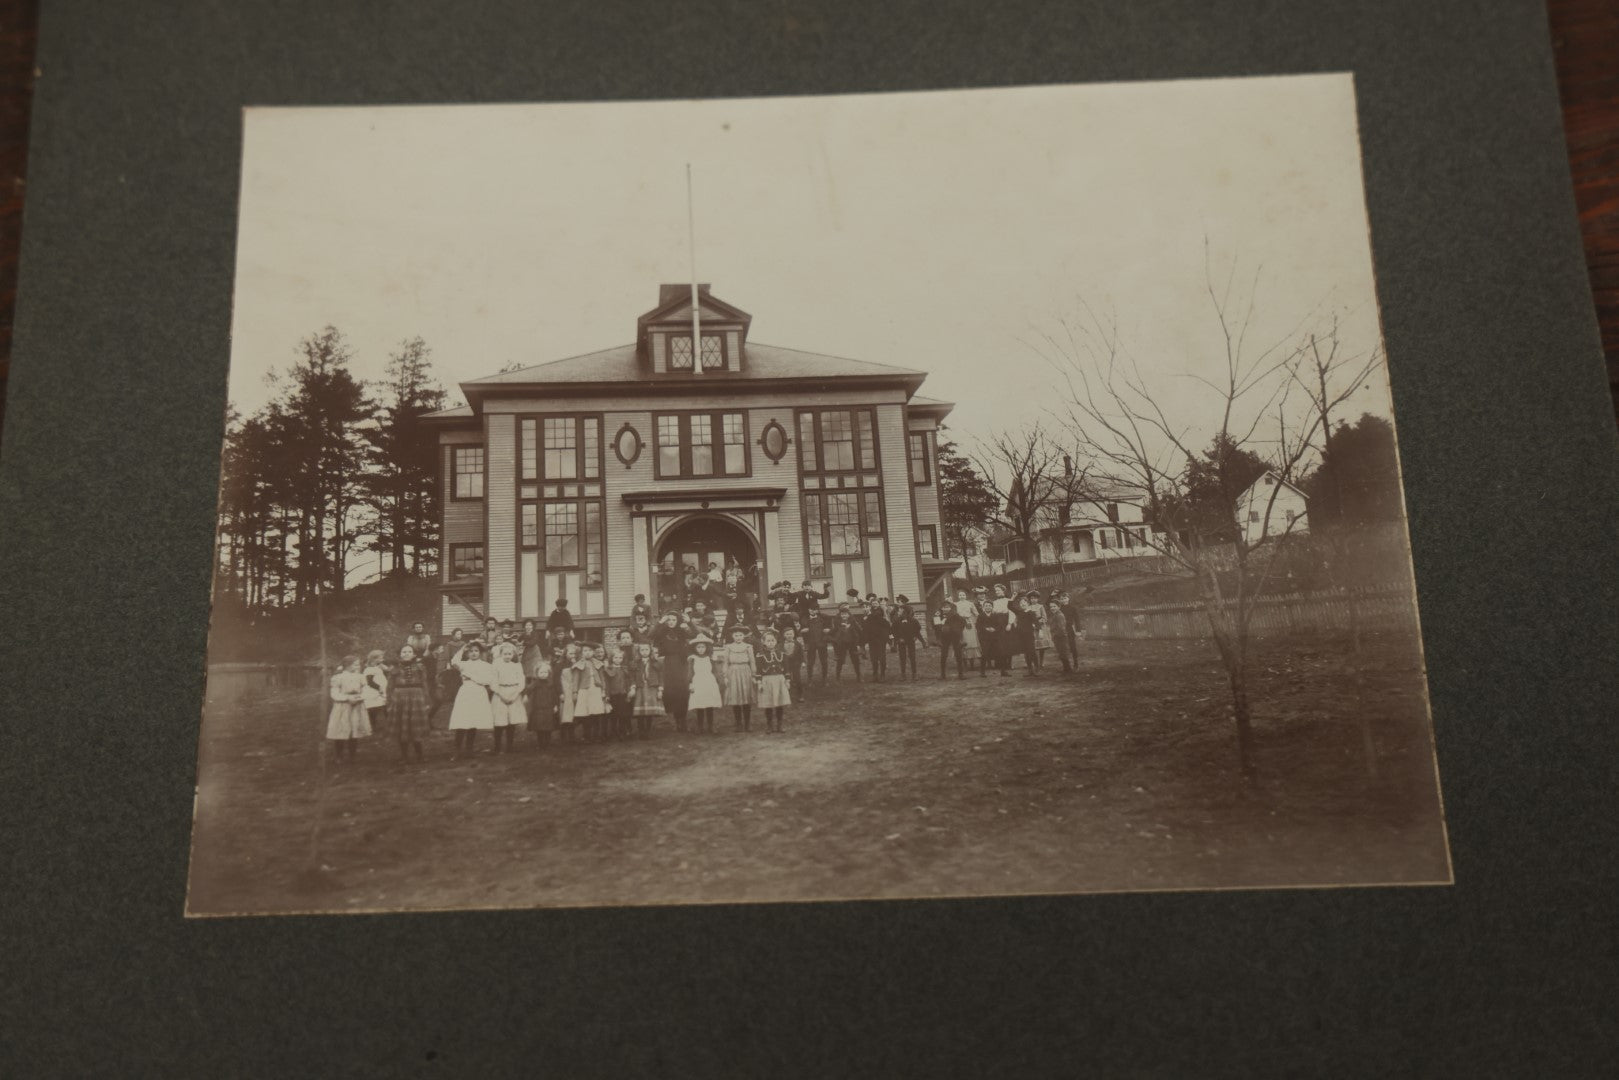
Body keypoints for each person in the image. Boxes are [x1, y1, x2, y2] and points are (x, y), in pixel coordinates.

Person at [448, 641, 496, 756]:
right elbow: (454, 661)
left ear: (480, 652)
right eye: (471, 651)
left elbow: (486, 681)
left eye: (476, 651)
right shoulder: (464, 664)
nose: (473, 653)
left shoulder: (485, 666)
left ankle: (469, 749)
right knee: (463, 720)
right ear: (467, 653)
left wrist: (470, 676)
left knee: (474, 720)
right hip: (466, 692)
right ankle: (457, 749)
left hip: (478, 692)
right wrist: (463, 648)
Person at [388, 643, 431, 763]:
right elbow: (390, 686)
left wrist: (426, 700)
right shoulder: (395, 669)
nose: (406, 654)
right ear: (399, 654)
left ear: (414, 654)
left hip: (416, 697)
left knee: (415, 726)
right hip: (399, 697)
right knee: (402, 727)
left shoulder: (420, 667)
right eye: (404, 652)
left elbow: (424, 684)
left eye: (409, 652)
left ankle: (420, 755)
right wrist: (389, 701)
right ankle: (404, 756)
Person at [326, 655, 371, 764]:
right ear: (348, 665)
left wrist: (360, 697)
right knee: (340, 730)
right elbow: (334, 693)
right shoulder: (338, 677)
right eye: (356, 664)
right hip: (343, 707)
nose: (359, 666)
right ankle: (339, 755)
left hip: (357, 705)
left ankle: (352, 755)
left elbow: (366, 690)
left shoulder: (360, 677)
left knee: (354, 730)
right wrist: (347, 698)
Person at [653, 613, 692, 732]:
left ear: (677, 620)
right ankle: (677, 721)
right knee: (672, 692)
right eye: (669, 620)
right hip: (668, 663)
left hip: (681, 663)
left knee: (683, 691)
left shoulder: (682, 630)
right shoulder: (663, 632)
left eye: (673, 619)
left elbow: (694, 634)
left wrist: (689, 622)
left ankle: (683, 720)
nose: (671, 622)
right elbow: (651, 635)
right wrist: (659, 623)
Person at [717, 625, 758, 732]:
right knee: (735, 698)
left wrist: (754, 675)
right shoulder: (728, 647)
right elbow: (725, 662)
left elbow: (752, 662)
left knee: (746, 697)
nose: (738, 637)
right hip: (733, 672)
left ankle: (747, 723)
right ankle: (738, 723)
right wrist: (725, 676)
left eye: (740, 635)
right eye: (736, 635)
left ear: (744, 636)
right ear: (732, 636)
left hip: (745, 671)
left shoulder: (748, 647)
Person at [489, 641, 526, 753]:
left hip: (514, 693)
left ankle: (510, 747)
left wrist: (515, 694)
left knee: (511, 722)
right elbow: (493, 681)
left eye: (510, 654)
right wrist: (501, 695)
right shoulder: (496, 666)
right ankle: (497, 747)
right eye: (505, 654)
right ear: (501, 654)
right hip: (500, 693)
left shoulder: (517, 666)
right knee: (499, 723)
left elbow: (521, 681)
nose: (507, 656)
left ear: (513, 655)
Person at [756, 629, 791, 733]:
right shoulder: (760, 655)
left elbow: (787, 668)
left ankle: (779, 725)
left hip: (779, 680)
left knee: (779, 703)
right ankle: (769, 725)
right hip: (767, 680)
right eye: (768, 641)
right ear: (764, 642)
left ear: (776, 642)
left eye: (772, 640)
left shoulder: (782, 653)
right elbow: (758, 670)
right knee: (769, 704)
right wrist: (759, 682)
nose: (770, 643)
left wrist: (787, 680)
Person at [686, 635, 722, 734]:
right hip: (698, 682)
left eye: (703, 647)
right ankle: (700, 726)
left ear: (706, 648)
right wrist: (690, 684)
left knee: (709, 705)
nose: (701, 649)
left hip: (709, 682)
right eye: (698, 647)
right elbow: (690, 672)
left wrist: (718, 682)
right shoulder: (692, 659)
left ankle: (711, 726)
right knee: (700, 705)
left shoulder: (710, 658)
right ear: (695, 648)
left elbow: (714, 671)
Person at [524, 646, 557, 746]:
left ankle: (547, 742)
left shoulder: (550, 684)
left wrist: (555, 705)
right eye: (541, 672)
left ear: (549, 673)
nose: (543, 674)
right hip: (538, 708)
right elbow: (528, 689)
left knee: (548, 726)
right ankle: (540, 742)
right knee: (539, 726)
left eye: (545, 672)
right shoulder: (535, 683)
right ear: (537, 673)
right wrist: (526, 695)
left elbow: (554, 695)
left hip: (548, 708)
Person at [629, 642, 662, 738]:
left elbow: (660, 676)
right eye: (642, 650)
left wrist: (660, 689)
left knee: (649, 712)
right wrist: (633, 686)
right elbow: (632, 677)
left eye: (646, 650)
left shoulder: (656, 662)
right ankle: (641, 730)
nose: (644, 652)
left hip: (651, 687)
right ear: (639, 651)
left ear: (650, 651)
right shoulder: (634, 663)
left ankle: (647, 730)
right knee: (641, 711)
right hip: (640, 688)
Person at [556, 642, 583, 742]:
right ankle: (563, 735)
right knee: (564, 713)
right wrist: (560, 693)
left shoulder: (578, 664)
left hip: (574, 690)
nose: (572, 656)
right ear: (565, 654)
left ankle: (572, 735)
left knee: (573, 713)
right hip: (564, 691)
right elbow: (556, 680)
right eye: (570, 653)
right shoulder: (559, 665)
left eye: (574, 654)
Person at [933, 600, 967, 679]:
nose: (946, 609)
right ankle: (943, 674)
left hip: (955, 636)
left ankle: (961, 674)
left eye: (947, 607)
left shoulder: (955, 615)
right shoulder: (938, 615)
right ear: (941, 608)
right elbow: (935, 626)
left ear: (950, 608)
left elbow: (963, 622)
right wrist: (941, 628)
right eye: (944, 607)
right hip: (944, 637)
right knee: (944, 655)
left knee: (958, 654)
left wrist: (955, 629)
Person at [361, 650, 389, 738]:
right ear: (374, 659)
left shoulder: (378, 667)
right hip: (373, 692)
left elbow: (386, 672)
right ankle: (372, 727)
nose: (383, 659)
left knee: (383, 707)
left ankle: (386, 727)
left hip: (379, 692)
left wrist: (384, 668)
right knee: (373, 710)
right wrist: (379, 688)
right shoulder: (369, 669)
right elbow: (370, 682)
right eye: (381, 657)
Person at [891, 604, 923, 680]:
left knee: (912, 656)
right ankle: (903, 674)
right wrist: (898, 638)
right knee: (902, 657)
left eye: (900, 610)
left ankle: (914, 673)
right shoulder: (897, 620)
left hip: (910, 640)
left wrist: (915, 636)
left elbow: (917, 628)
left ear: (904, 611)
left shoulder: (912, 620)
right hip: (901, 641)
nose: (898, 611)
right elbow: (893, 630)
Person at [832, 610, 864, 681]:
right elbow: (833, 633)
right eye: (842, 614)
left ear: (849, 615)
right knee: (840, 660)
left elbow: (859, 631)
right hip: (842, 644)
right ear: (840, 615)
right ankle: (838, 677)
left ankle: (859, 676)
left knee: (855, 660)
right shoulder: (838, 623)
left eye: (845, 614)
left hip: (852, 643)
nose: (844, 616)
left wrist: (859, 643)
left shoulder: (853, 623)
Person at [862, 602, 891, 681]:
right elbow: (866, 629)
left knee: (882, 658)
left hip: (881, 641)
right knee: (874, 658)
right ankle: (875, 674)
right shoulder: (868, 618)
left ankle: (882, 674)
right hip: (872, 641)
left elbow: (888, 630)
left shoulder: (882, 616)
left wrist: (888, 641)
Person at [1046, 598, 1075, 675]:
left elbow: (1061, 628)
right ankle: (1066, 668)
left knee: (1063, 652)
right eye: (1051, 607)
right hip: (1057, 637)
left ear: (1059, 607)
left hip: (1061, 637)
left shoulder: (1059, 615)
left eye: (1054, 606)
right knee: (1061, 653)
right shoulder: (1054, 615)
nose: (1052, 608)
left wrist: (1056, 635)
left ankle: (1068, 669)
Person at [802, 608, 829, 686]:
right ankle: (809, 679)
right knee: (810, 662)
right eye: (810, 609)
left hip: (822, 642)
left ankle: (825, 679)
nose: (812, 611)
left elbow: (828, 627)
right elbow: (800, 628)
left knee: (824, 661)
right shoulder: (805, 619)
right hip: (811, 644)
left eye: (814, 609)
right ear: (808, 610)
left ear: (817, 610)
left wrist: (828, 631)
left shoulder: (822, 618)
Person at [780, 625, 806, 702]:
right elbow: (779, 654)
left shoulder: (798, 644)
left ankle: (800, 695)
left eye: (791, 634)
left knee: (797, 679)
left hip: (795, 664)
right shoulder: (780, 645)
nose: (789, 636)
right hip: (785, 665)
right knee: (786, 678)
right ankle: (786, 695)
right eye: (787, 634)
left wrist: (803, 662)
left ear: (794, 634)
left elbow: (801, 654)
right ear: (784, 635)